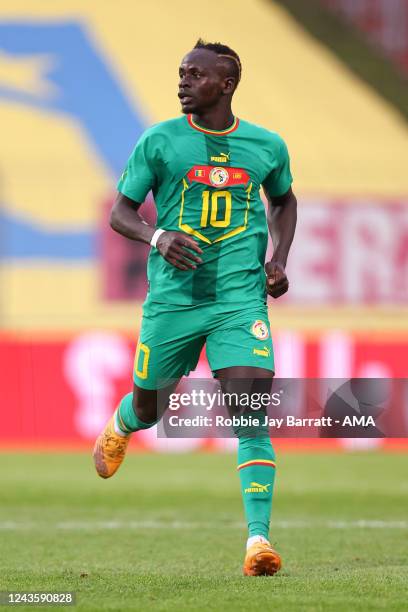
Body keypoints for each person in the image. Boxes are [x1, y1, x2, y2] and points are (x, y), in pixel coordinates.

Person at [93, 38, 297, 576]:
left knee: (250, 410)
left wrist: (279, 258)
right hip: (174, 301)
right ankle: (121, 423)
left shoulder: (266, 145)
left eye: (195, 74)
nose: (183, 81)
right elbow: (121, 212)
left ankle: (258, 542)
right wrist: (157, 236)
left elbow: (284, 199)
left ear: (225, 84)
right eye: (182, 73)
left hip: (239, 298)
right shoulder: (160, 142)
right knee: (151, 407)